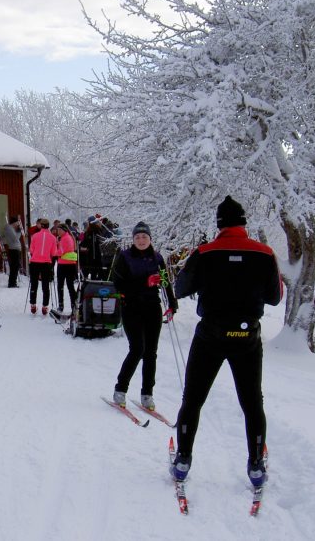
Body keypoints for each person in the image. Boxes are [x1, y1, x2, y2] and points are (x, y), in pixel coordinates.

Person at [169, 196, 283, 489]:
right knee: (251, 403)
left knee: (193, 400)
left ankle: (183, 460)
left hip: (211, 335)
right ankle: (256, 464)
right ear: (244, 223)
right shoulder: (265, 253)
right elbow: (274, 297)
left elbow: (181, 288)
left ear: (218, 224)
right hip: (246, 337)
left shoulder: (205, 252)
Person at [110, 222, 178, 410]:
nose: (141, 240)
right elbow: (118, 283)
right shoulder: (124, 257)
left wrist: (172, 304)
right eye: (138, 237)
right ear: (133, 239)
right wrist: (144, 283)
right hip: (131, 307)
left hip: (152, 307)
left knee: (151, 352)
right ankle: (120, 389)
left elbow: (164, 282)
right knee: (137, 349)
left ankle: (147, 393)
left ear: (150, 239)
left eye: (144, 237)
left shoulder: (157, 258)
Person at [27, 218, 57, 316]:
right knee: (45, 285)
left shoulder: (35, 236)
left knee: (34, 284)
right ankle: (45, 306)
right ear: (48, 226)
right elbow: (54, 253)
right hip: (46, 262)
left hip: (35, 262)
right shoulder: (53, 238)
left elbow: (31, 250)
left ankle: (33, 305)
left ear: (41, 225)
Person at [54, 223, 79, 315]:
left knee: (67, 285)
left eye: (60, 230)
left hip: (66, 265)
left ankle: (70, 305)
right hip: (66, 264)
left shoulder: (66, 238)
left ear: (64, 230)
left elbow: (61, 251)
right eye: (57, 230)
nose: (58, 232)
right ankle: (70, 304)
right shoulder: (64, 238)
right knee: (65, 285)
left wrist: (54, 252)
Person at [0, 215, 24, 288]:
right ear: (14, 223)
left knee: (15, 267)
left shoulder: (11, 229)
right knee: (14, 267)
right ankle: (12, 283)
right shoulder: (9, 229)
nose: (17, 224)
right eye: (17, 223)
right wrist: (19, 232)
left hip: (15, 249)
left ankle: (13, 282)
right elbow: (15, 238)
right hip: (14, 250)